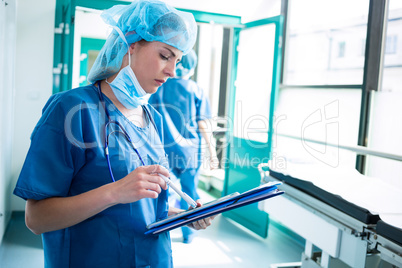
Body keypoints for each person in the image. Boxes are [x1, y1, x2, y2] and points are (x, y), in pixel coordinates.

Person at [13, 1, 216, 267]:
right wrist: (115, 192)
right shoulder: (72, 109)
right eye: (165, 56)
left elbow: (140, 207)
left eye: (177, 61)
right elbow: (36, 219)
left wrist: (181, 216)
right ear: (130, 46)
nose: (172, 71)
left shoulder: (150, 117)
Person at [149, 49, 219, 243]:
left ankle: (165, 232)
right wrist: (213, 153)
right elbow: (202, 123)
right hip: (190, 153)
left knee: (165, 193)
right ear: (192, 67)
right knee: (191, 194)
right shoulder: (196, 90)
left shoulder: (159, 87)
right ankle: (189, 233)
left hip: (164, 150)